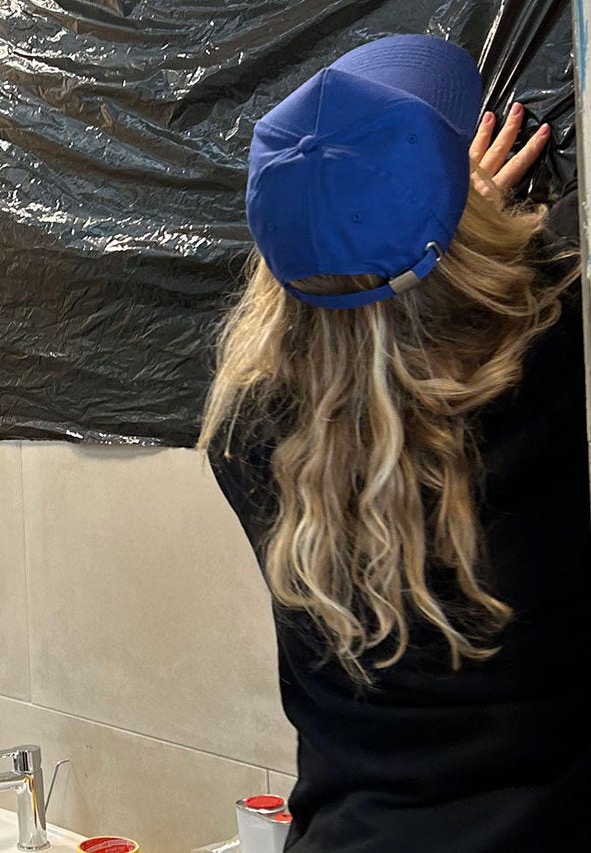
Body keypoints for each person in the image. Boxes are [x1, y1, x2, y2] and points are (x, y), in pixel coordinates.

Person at [199, 34, 589, 851]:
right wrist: (459, 218)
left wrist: (421, 222)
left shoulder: (244, 437)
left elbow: (365, 317)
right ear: (459, 230)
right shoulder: (557, 371)